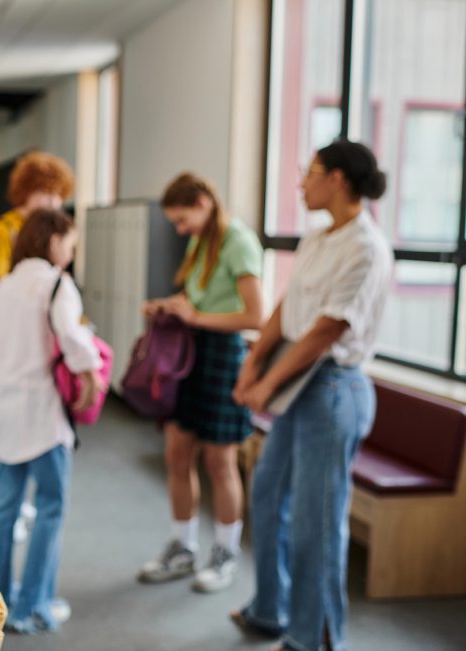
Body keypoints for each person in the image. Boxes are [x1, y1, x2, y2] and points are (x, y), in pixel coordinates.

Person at [231, 140, 392, 651]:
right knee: (266, 492)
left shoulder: (367, 248)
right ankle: (269, 611)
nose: (301, 182)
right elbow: (287, 306)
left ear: (339, 180)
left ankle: (313, 638)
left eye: (310, 173)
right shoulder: (318, 238)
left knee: (314, 524)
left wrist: (265, 385)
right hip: (295, 384)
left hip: (332, 389)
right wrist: (252, 363)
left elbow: (324, 333)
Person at [138, 172, 264, 593]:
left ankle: (226, 553)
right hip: (190, 353)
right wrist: (171, 309)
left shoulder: (239, 242)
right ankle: (183, 546)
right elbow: (201, 302)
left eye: (182, 220)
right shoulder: (202, 241)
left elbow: (254, 316)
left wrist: (195, 317)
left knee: (220, 462)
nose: (179, 230)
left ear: (204, 202)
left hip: (224, 356)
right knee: (177, 454)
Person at [0, 209, 104, 634]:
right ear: (52, 241)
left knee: (4, 509)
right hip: (43, 413)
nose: (71, 252)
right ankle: (33, 606)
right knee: (51, 505)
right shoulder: (56, 283)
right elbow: (71, 335)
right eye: (69, 243)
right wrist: (90, 373)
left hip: (6, 408)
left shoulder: (9, 284)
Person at [0, 150, 74, 356]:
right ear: (25, 192)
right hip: (7, 335)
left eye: (58, 195)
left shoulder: (50, 233)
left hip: (39, 337)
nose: (53, 202)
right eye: (45, 193)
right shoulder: (3, 231)